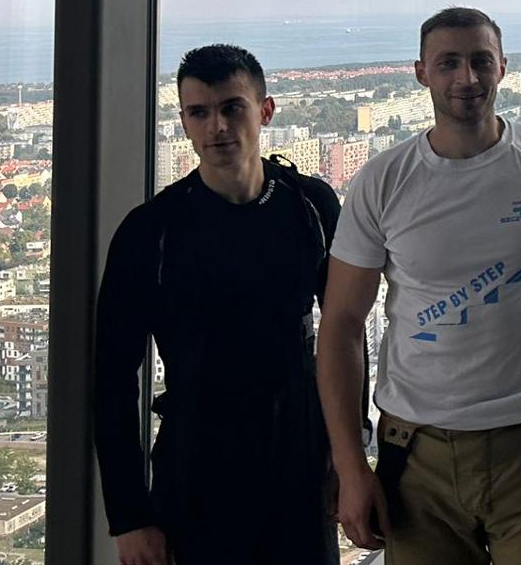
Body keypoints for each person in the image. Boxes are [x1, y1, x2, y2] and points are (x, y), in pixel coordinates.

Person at [318, 7, 521, 564]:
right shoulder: (383, 181)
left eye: (481, 61)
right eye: (449, 63)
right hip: (417, 454)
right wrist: (350, 465)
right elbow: (341, 324)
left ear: (503, 67)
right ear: (421, 72)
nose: (467, 78)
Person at [95, 44, 343, 564]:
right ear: (184, 122)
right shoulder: (151, 232)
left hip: (300, 465)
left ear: (265, 111)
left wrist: (348, 454)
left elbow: (344, 333)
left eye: (232, 108)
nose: (217, 127)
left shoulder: (311, 207)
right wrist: (130, 516)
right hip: (197, 471)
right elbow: (111, 378)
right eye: (199, 112)